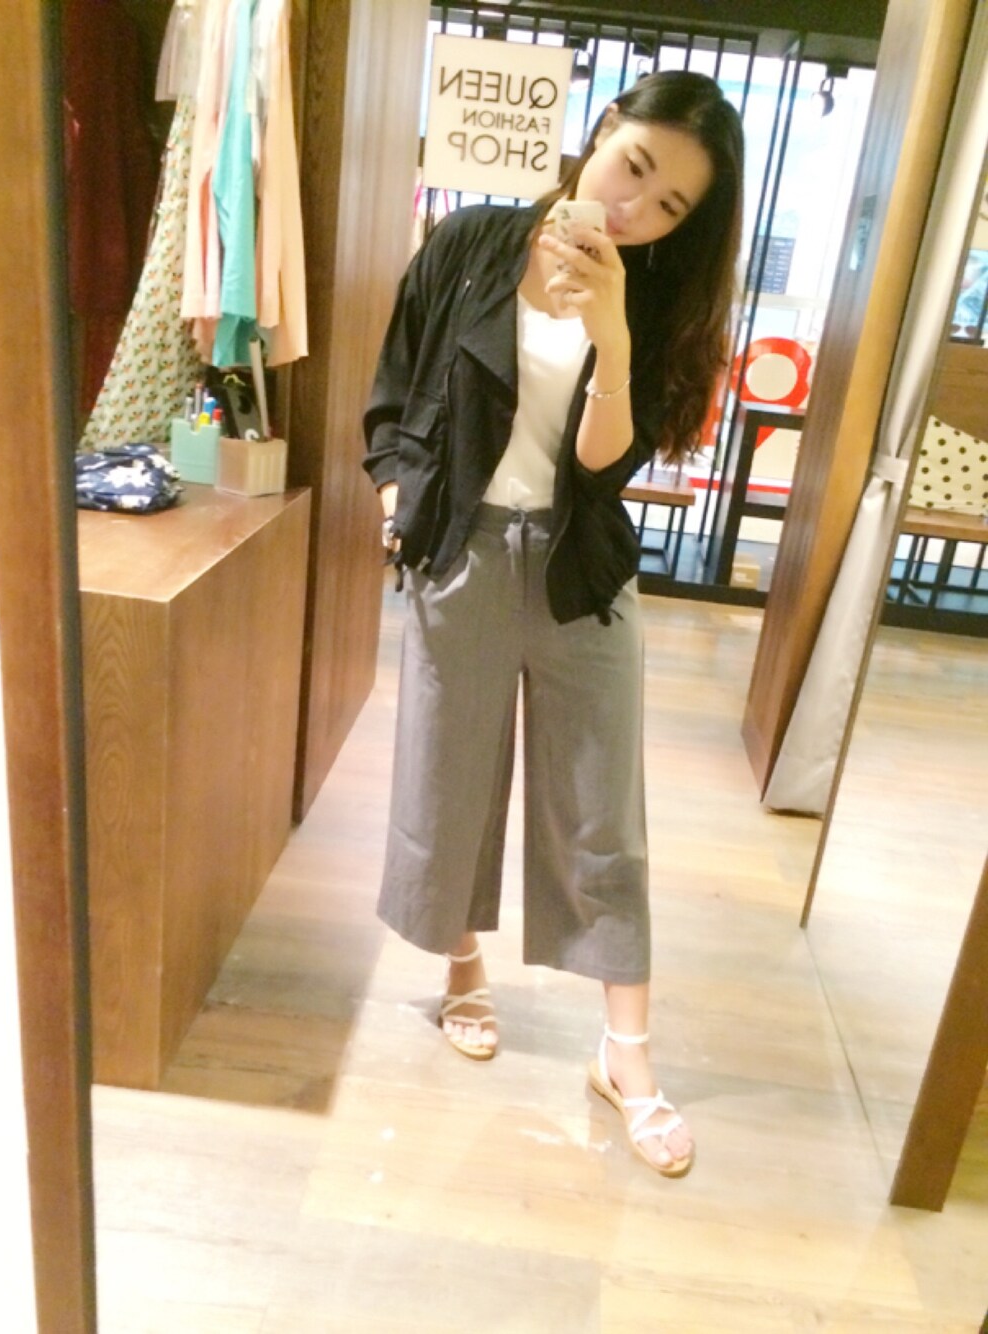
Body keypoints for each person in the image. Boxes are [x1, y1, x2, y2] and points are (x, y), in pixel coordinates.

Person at [362, 70, 744, 1177]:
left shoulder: (657, 299)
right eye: (634, 167)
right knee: (450, 774)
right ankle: (462, 970)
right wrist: (397, 501)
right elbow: (392, 390)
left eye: (669, 205)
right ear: (604, 127)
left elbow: (602, 465)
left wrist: (613, 333)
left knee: (601, 807)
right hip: (464, 549)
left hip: (580, 568)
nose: (634, 208)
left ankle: (626, 1054)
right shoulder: (472, 243)